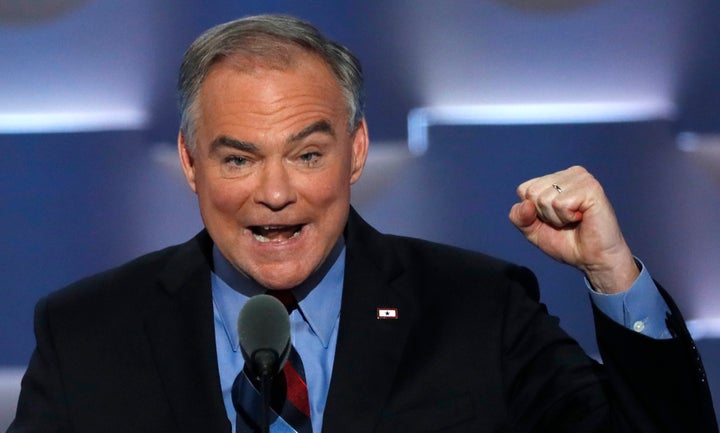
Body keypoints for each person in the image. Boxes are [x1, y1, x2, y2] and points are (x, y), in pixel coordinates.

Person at [8, 13, 717, 433]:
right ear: (191, 163)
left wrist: (611, 272)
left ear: (357, 152)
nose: (276, 192)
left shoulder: (477, 309)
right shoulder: (86, 333)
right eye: (239, 158)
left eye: (308, 153)